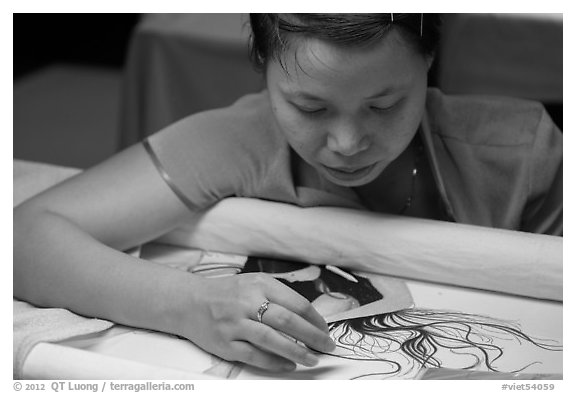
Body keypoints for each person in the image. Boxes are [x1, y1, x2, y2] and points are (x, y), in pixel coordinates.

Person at [13, 13, 562, 373]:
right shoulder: (241, 139)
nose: (347, 144)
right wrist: (188, 303)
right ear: (263, 68)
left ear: (429, 63)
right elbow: (24, 237)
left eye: (384, 105)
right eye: (310, 108)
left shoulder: (519, 153)